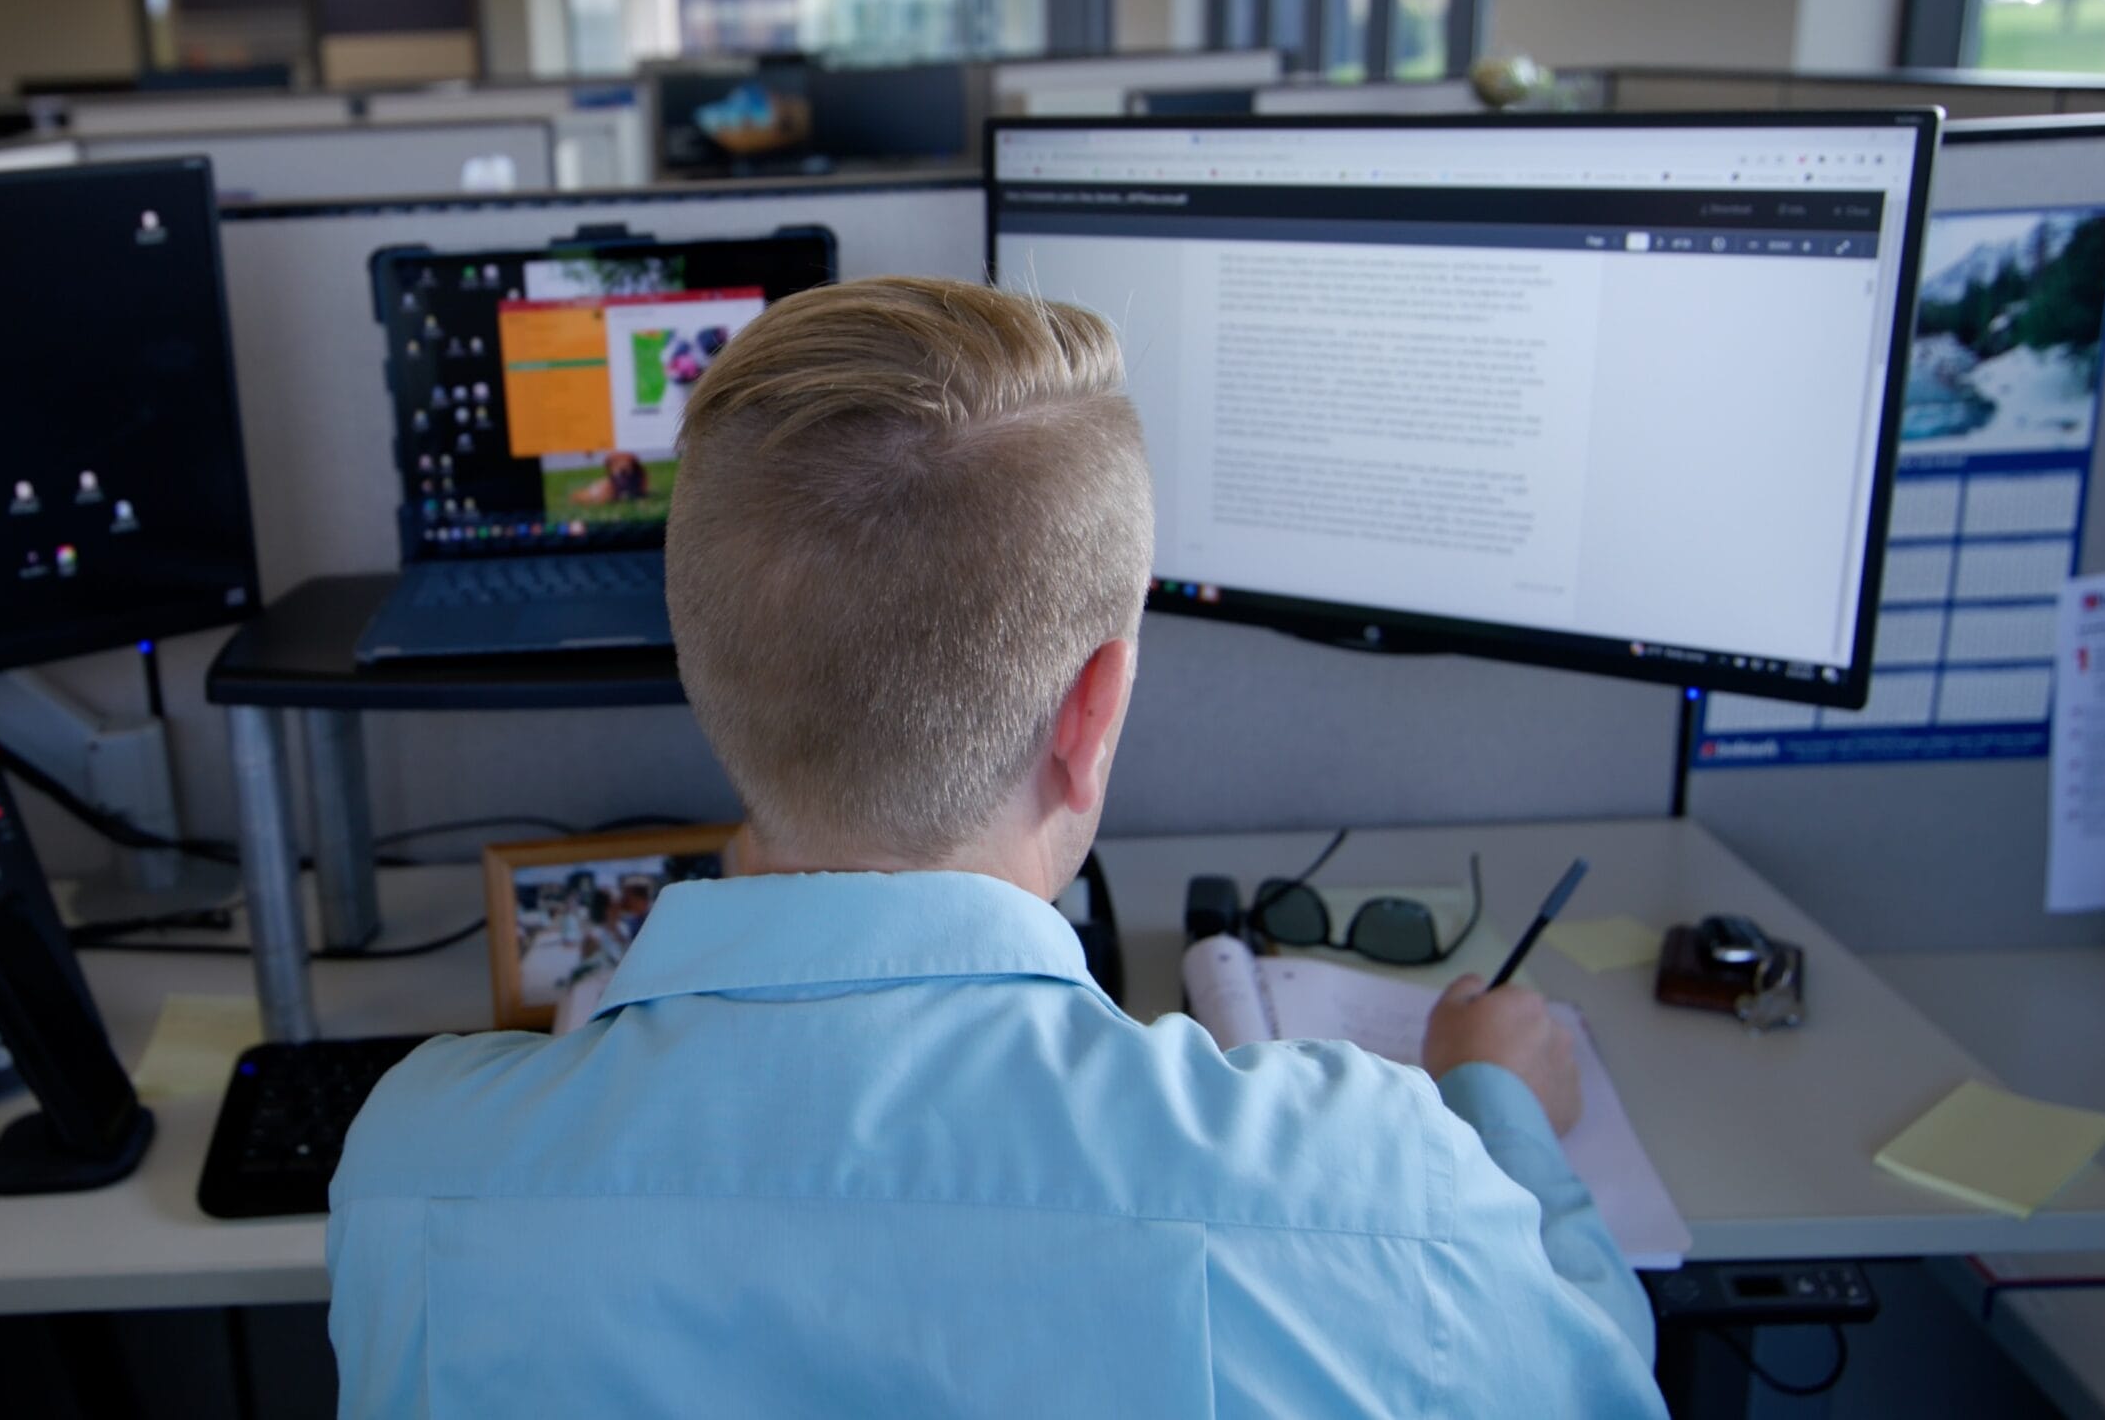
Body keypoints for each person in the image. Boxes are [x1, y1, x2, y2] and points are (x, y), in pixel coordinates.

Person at [327, 277, 1664, 1416]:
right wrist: (1500, 1113)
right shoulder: (1381, 1185)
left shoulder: (419, 1170)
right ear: (1095, 708)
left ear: (707, 668)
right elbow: (1611, 1385)